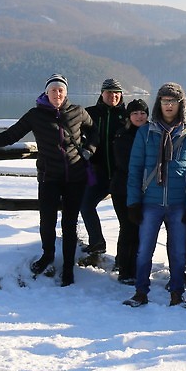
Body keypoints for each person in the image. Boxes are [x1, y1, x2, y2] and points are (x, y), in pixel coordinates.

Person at [0, 74, 95, 286]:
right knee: (47, 221)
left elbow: (94, 132)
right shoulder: (36, 115)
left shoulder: (78, 112)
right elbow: (10, 136)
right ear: (46, 93)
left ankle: (68, 267)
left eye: (61, 90)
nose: (57, 94)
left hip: (75, 177)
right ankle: (47, 255)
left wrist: (89, 150)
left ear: (66, 92)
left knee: (69, 223)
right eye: (53, 90)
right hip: (49, 177)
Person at [123, 82, 186, 308]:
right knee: (144, 251)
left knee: (178, 252)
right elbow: (135, 170)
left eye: (173, 101)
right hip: (150, 201)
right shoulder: (145, 133)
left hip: (179, 203)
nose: (169, 105)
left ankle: (177, 293)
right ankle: (141, 292)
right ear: (159, 103)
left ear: (181, 104)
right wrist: (133, 203)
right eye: (165, 101)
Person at [78, 78, 127, 257]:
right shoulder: (89, 113)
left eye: (116, 93)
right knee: (86, 205)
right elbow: (74, 132)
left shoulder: (127, 116)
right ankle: (97, 242)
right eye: (109, 92)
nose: (113, 96)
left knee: (125, 219)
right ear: (102, 93)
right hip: (98, 172)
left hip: (120, 175)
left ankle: (124, 257)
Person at [110, 98, 149, 284]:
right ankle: (125, 270)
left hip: (145, 189)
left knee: (139, 229)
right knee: (128, 228)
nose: (139, 116)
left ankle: (133, 266)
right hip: (123, 189)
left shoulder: (152, 133)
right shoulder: (122, 136)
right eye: (135, 113)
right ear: (129, 116)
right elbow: (126, 164)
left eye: (142, 113)